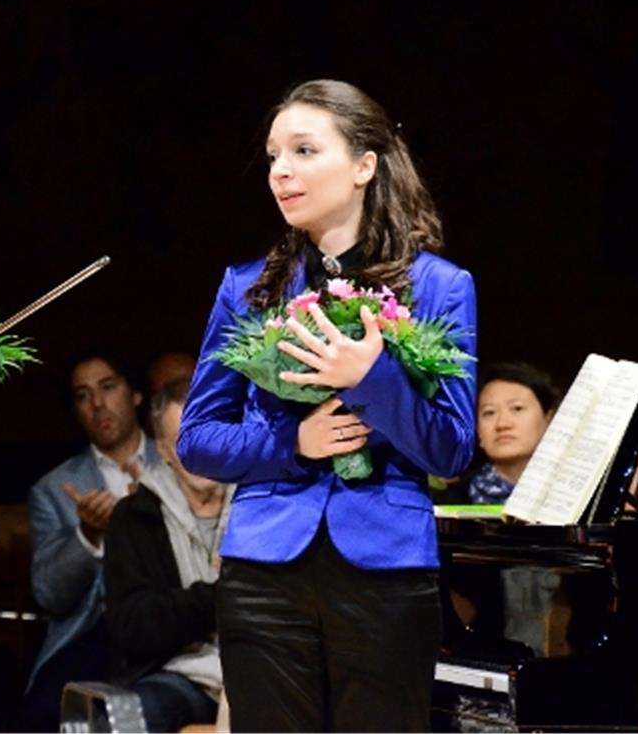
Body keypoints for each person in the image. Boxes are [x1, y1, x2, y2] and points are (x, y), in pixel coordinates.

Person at [177, 79, 477, 732]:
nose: (281, 171)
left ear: (365, 166)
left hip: (386, 569)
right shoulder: (248, 289)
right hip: (264, 573)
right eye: (274, 156)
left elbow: (451, 449)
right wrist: (293, 444)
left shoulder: (441, 288)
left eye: (305, 151)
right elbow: (197, 439)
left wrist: (373, 378)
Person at [22, 350, 167, 732]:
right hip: (90, 635)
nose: (98, 404)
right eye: (83, 395)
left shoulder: (175, 463)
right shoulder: (54, 489)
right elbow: (49, 595)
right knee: (49, 713)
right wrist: (88, 534)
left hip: (168, 629)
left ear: (136, 394)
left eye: (108, 387)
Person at [104, 377, 229, 732]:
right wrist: (223, 594)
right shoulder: (136, 516)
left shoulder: (261, 503)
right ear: (163, 449)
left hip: (265, 666)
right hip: (180, 673)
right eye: (184, 442)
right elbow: (134, 625)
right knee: (131, 717)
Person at [467, 363, 561, 504]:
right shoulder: (442, 501)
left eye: (517, 408)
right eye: (489, 412)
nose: (502, 424)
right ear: (478, 431)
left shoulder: (584, 499)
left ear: (549, 419)